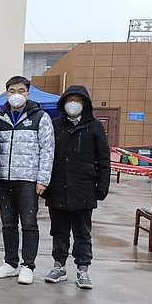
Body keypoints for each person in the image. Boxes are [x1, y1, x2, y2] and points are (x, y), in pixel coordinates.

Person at [43, 86, 110, 290]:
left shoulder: (95, 127)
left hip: (84, 187)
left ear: (85, 104)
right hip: (57, 186)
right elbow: (46, 155)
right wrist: (44, 183)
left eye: (78, 100)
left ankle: (83, 268)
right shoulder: (55, 125)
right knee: (59, 231)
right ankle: (59, 265)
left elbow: (103, 159)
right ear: (63, 103)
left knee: (82, 232)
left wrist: (102, 186)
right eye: (69, 100)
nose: (73, 104)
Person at [0, 76, 55, 285]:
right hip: (4, 179)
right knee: (8, 223)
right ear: (6, 94)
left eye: (20, 91)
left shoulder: (40, 117)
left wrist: (43, 179)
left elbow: (48, 150)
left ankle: (28, 266)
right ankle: (11, 263)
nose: (16, 95)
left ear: (27, 94)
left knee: (29, 223)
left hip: (28, 180)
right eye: (11, 91)